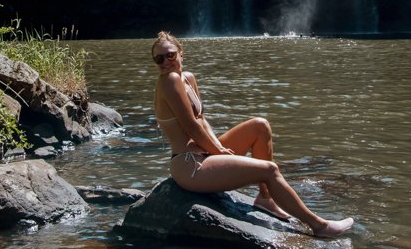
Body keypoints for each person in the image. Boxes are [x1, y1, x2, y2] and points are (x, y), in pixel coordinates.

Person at [152, 31, 354, 238]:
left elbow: (202, 120)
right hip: (190, 165)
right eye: (159, 58)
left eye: (170, 55)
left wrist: (217, 148)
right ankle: (319, 226)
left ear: (181, 54)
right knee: (269, 170)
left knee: (260, 126)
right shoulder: (169, 81)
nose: (165, 62)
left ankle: (265, 199)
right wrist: (218, 151)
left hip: (205, 154)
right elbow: (192, 127)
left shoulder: (187, 78)